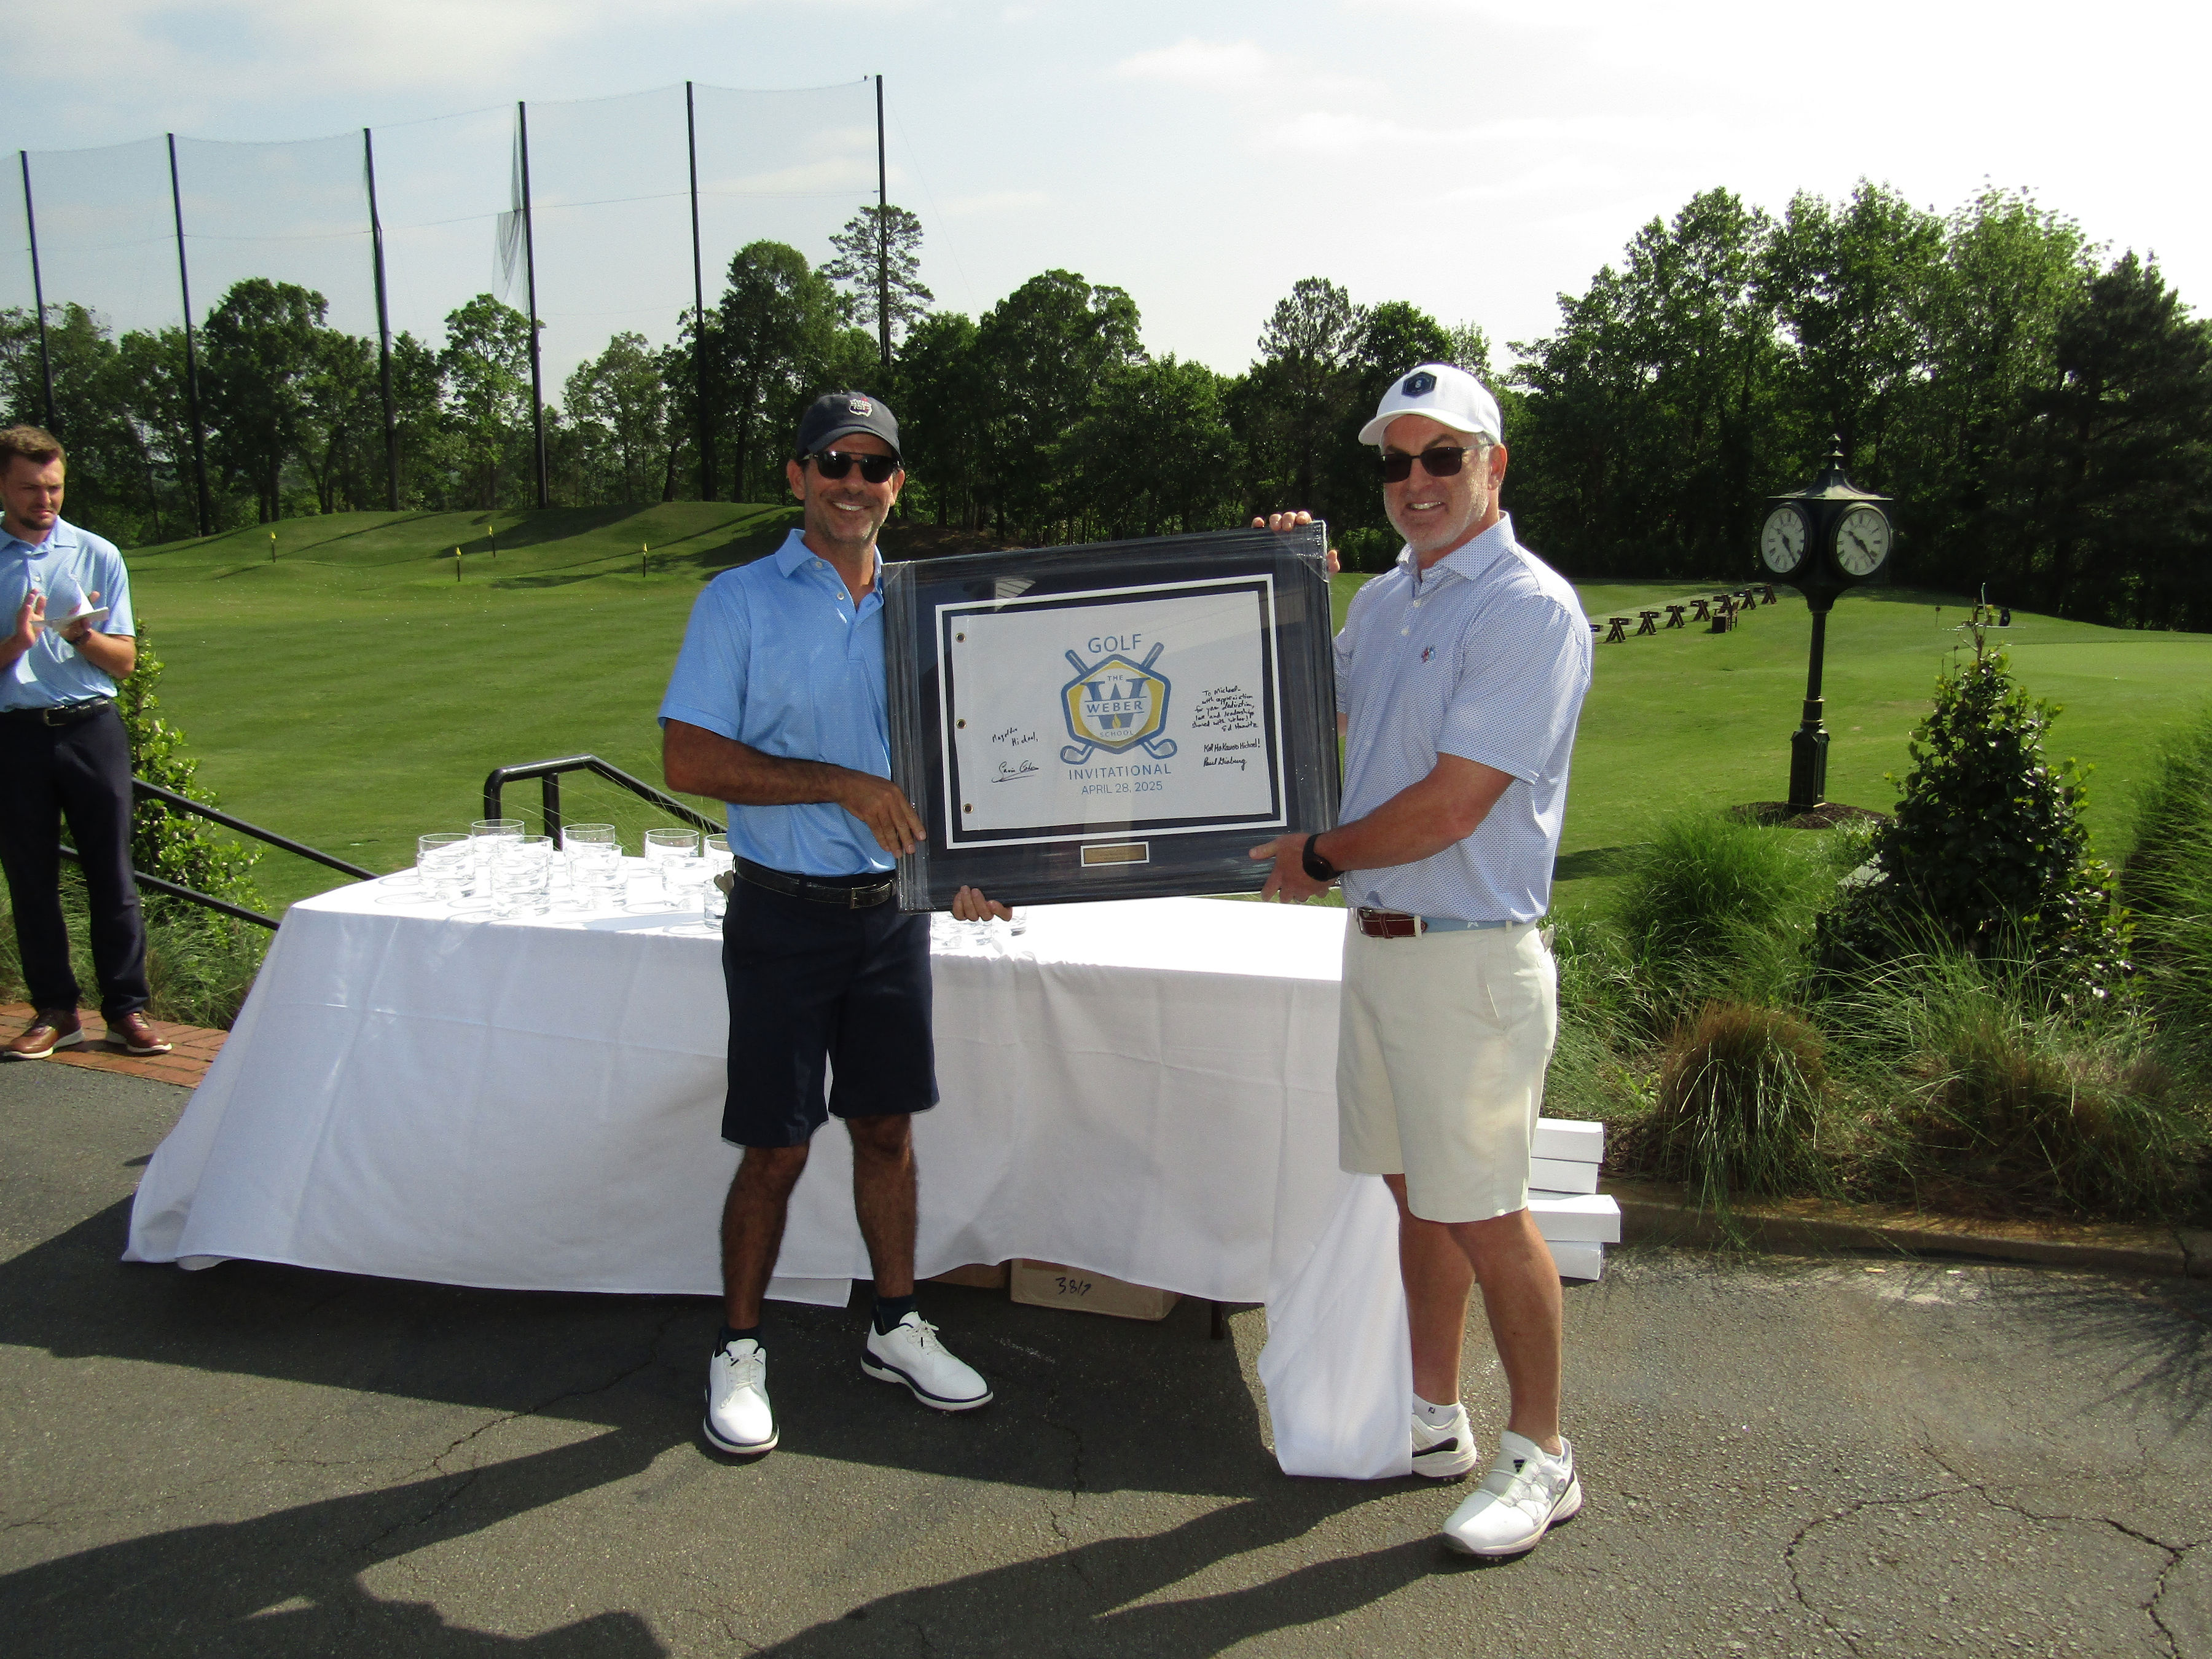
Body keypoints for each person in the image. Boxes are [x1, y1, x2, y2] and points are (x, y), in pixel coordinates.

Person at [1249, 363, 1592, 1556]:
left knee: (1488, 1213)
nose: (1417, 480)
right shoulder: (1390, 600)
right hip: (1385, 948)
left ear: (1494, 466)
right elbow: (1309, 709)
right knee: (1416, 1195)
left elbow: (1455, 804)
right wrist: (1283, 587)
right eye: (1397, 461)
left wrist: (1320, 856)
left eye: (1443, 455)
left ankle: (1544, 1456)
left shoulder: (1528, 610)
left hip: (1469, 960)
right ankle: (1434, 1416)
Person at [660, 390, 1005, 1457]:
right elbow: (689, 758)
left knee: (887, 1131)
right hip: (782, 914)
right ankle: (739, 1348)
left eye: (874, 466)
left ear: (896, 484)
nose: (854, 483)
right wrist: (843, 785)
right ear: (799, 476)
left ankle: (895, 1326)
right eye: (834, 462)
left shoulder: (924, 604)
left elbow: (971, 756)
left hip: (892, 917)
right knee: (775, 1145)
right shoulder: (737, 601)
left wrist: (971, 866)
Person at [0, 425, 171, 1062]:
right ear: (3, 486)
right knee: (31, 878)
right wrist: (16, 645)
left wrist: (79, 636)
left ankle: (126, 1010)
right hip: (14, 733)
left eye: (54, 487)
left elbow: (123, 661)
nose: (44, 500)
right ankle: (56, 1011)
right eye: (30, 488)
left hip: (90, 727)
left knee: (112, 874)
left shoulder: (97, 554)